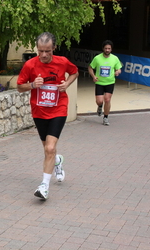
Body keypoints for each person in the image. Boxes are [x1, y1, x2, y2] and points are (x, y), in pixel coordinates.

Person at [17, 32, 79, 200]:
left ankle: (44, 186)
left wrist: (66, 83)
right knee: (48, 149)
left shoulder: (62, 62)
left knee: (49, 148)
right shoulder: (30, 65)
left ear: (54, 48)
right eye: (40, 51)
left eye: (47, 51)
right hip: (39, 111)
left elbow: (75, 72)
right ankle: (57, 160)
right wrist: (32, 85)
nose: (43, 55)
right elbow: (19, 87)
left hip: (59, 108)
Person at [88, 40, 122, 126]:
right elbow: (90, 67)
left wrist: (118, 72)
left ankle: (106, 117)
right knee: (99, 101)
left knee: (107, 99)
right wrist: (93, 76)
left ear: (111, 49)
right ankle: (100, 106)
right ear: (103, 48)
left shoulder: (115, 58)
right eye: (106, 48)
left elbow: (119, 69)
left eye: (109, 48)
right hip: (99, 82)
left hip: (110, 82)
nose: (107, 50)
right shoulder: (97, 58)